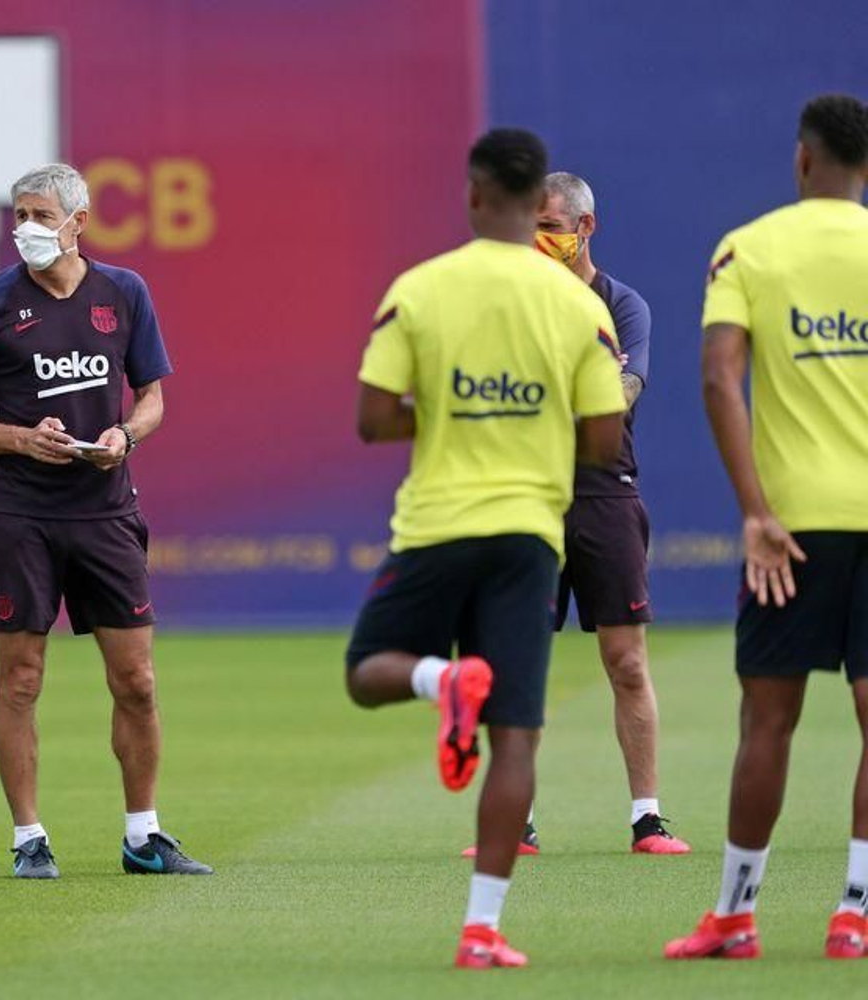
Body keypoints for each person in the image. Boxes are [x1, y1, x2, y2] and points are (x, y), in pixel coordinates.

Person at [345, 128, 625, 969]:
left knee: (368, 674)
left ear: (472, 196)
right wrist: (529, 426)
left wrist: (453, 413)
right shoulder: (581, 305)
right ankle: (482, 932)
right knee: (517, 739)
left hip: (435, 524)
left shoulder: (421, 289)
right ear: (539, 200)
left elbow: (371, 418)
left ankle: (440, 679)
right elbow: (606, 441)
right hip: (528, 536)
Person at [0, 162, 210, 880]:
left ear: (78, 223)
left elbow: (152, 397)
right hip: (22, 514)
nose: (24, 228)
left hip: (106, 511)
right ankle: (29, 838)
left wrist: (124, 436)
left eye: (38, 215)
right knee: (21, 681)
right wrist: (26, 438)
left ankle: (143, 835)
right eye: (18, 215)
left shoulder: (124, 292)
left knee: (138, 680)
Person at [666, 93, 868, 962]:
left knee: (767, 724)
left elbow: (719, 378)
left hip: (790, 528)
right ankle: (856, 912)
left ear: (801, 159)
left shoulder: (748, 247)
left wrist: (754, 510)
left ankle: (736, 916)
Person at [475, 172, 687, 856]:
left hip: (603, 493)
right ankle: (516, 823)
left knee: (626, 660)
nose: (536, 238)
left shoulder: (623, 306)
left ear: (585, 227)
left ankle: (648, 819)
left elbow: (621, 393)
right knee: (515, 660)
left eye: (549, 224)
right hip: (528, 493)